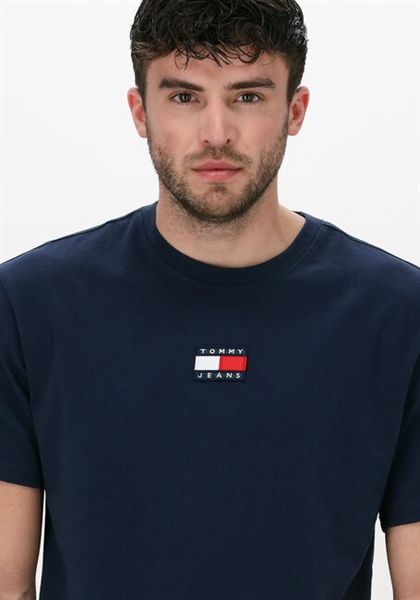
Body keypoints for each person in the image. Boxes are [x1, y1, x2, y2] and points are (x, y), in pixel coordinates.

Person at [0, 0, 419, 598]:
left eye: (247, 96)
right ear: (140, 112)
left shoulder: (398, 313)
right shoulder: (28, 305)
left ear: (294, 110)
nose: (216, 133)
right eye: (184, 96)